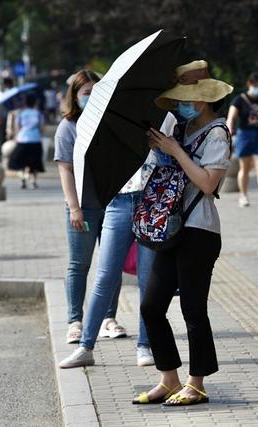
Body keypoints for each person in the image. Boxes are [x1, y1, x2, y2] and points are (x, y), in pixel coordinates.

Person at [132, 60, 232, 406]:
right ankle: (169, 378)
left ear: (202, 99)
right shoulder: (180, 128)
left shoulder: (217, 132)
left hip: (200, 230)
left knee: (192, 308)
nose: (180, 105)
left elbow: (207, 183)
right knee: (151, 305)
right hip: (170, 227)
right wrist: (161, 148)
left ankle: (196, 383)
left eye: (185, 98)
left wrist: (175, 151)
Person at [58, 110, 177, 369]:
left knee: (148, 280)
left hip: (151, 201)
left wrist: (158, 148)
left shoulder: (166, 118)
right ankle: (85, 346)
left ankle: (145, 346)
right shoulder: (110, 118)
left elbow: (173, 164)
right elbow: (95, 163)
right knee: (105, 276)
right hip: (118, 202)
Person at [53, 69, 126, 345]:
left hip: (113, 205)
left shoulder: (109, 123)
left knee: (111, 265)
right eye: (86, 94)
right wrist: (74, 208)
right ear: (75, 97)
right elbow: (66, 171)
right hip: (83, 208)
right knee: (79, 264)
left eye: (97, 93)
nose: (92, 98)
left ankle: (109, 318)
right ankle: (75, 321)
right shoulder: (67, 128)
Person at [226, 72, 258, 207]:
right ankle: (243, 195)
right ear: (249, 84)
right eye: (255, 85)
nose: (257, 87)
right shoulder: (240, 99)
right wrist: (229, 130)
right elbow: (231, 117)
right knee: (244, 167)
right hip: (244, 134)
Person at [8, 94, 45, 189]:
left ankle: (23, 178)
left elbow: (18, 127)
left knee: (20, 161)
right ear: (35, 103)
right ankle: (33, 181)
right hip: (35, 139)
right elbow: (41, 128)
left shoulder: (21, 113)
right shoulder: (38, 113)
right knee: (35, 161)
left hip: (22, 139)